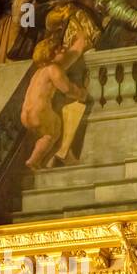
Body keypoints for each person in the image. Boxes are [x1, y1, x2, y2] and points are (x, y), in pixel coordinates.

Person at [20, 32, 92, 170]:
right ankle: (33, 160)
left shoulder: (39, 72)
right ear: (51, 54)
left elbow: (72, 55)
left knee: (48, 138)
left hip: (26, 115)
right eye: (59, 49)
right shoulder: (53, 69)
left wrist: (80, 42)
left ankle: (44, 160)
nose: (64, 50)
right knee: (52, 134)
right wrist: (81, 94)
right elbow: (67, 88)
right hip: (40, 112)